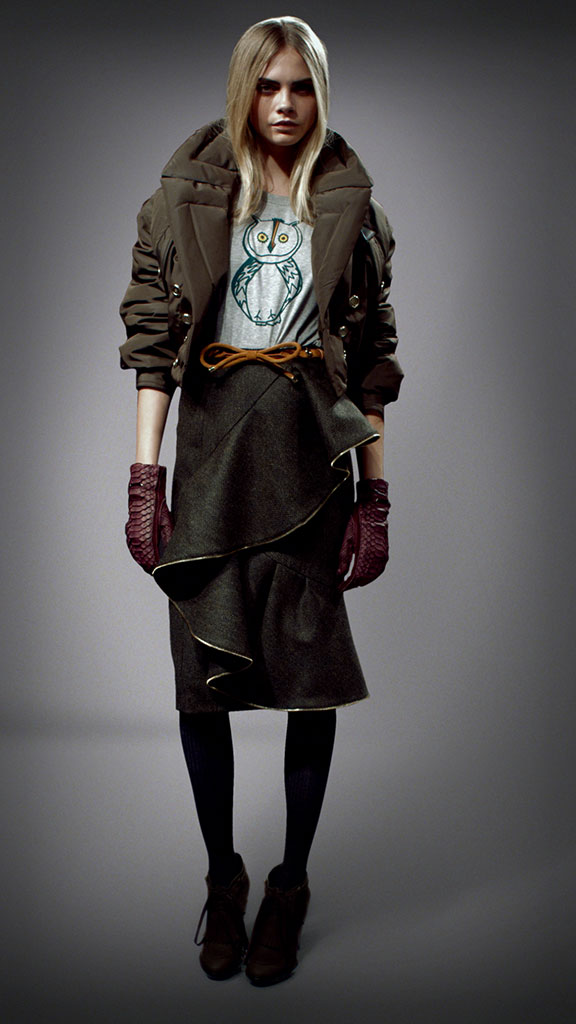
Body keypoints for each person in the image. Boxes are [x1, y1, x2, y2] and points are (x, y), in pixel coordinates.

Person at [119, 15, 403, 986]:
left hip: (309, 461)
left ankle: (290, 884)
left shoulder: (351, 206)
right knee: (202, 683)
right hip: (210, 459)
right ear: (244, 87)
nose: (285, 105)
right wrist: (145, 478)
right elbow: (153, 345)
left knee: (309, 685)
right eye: (270, 85)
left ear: (321, 94)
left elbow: (373, 363)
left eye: (303, 87)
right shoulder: (181, 198)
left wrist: (376, 495)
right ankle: (224, 877)